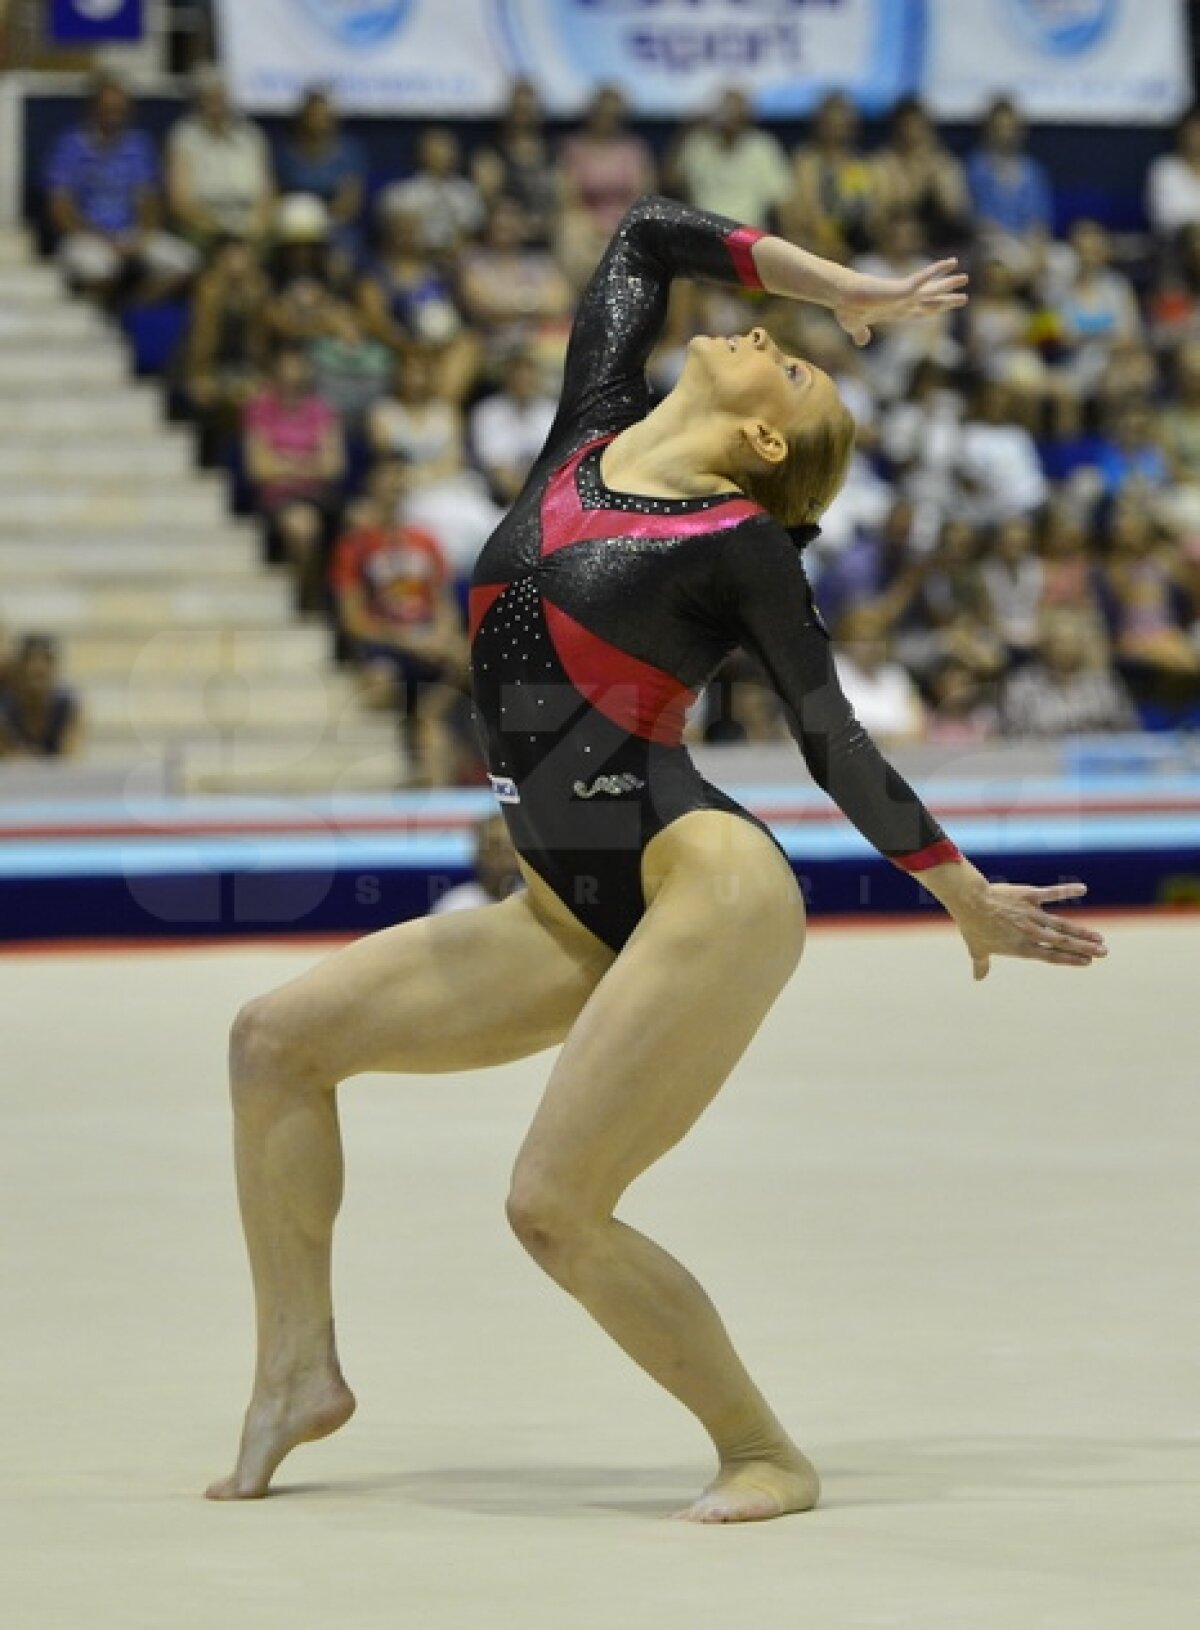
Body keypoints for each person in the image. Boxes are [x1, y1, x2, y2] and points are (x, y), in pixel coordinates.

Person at [207, 197, 1107, 1522]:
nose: (766, 333)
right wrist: (849, 288)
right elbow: (642, 237)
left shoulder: (739, 546)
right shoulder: (588, 436)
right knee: (273, 1043)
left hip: (706, 881)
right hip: (565, 902)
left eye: (788, 364)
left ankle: (764, 1451)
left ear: (761, 439)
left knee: (554, 1202)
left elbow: (832, 734)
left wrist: (954, 883)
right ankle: (297, 1369)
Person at [330, 457, 467, 785]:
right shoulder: (355, 545)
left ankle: (430, 711)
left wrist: (441, 634)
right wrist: (407, 640)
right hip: (387, 643)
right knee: (381, 682)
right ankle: (414, 726)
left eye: (401, 480)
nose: (396, 486)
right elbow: (352, 619)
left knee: (471, 656)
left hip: (426, 637)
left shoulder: (424, 541)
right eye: (388, 479)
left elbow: (443, 601)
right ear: (372, 486)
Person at [44, 73, 197, 304]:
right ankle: (104, 320)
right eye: (107, 108)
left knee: (187, 262)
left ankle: (133, 308)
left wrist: (142, 237)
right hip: (86, 235)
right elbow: (60, 206)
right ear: (92, 109)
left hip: (131, 235)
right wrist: (97, 238)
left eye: (119, 108)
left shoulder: (140, 144)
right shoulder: (70, 145)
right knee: (98, 270)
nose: (113, 114)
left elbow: (151, 200)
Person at [243, 345, 345, 611]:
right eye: (286, 369)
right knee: (303, 527)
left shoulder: (321, 409)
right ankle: (305, 595)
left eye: (298, 368)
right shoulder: (260, 408)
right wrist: (309, 464)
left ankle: (321, 593)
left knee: (354, 518)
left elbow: (334, 465)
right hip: (277, 498)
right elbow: (258, 469)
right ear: (275, 372)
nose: (292, 375)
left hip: (319, 496)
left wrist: (284, 463)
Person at [167, 68, 275, 249]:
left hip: (250, 225)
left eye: (220, 97)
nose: (216, 104)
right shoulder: (184, 137)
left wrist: (255, 226)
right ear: (199, 102)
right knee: (229, 255)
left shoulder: (251, 136)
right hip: (204, 226)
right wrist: (219, 232)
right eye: (209, 98)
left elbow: (268, 194)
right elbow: (180, 202)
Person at [670, 87, 792, 230]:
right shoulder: (699, 142)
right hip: (702, 234)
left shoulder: (762, 147)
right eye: (726, 110)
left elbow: (782, 200)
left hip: (748, 237)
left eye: (736, 110)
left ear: (747, 116)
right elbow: (671, 183)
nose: (730, 116)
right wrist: (686, 130)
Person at [965, 98, 1054, 271]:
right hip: (990, 243)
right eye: (999, 128)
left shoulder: (1032, 171)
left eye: (1010, 127)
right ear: (988, 130)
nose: (1005, 134)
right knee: (1004, 259)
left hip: (1028, 243)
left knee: (1061, 262)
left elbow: (1040, 219)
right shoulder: (976, 167)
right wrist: (1009, 243)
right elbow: (974, 219)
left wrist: (1037, 246)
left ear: (1020, 131)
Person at [0, 636, 83, 759]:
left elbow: (71, 757)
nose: (37, 668)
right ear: (19, 668)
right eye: (29, 661)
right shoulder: (5, 709)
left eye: (46, 661)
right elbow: (10, 758)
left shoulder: (66, 704)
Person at [431, 813, 523, 914]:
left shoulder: (535, 901)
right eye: (495, 847)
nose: (503, 858)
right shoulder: (455, 907)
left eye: (509, 848)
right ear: (479, 852)